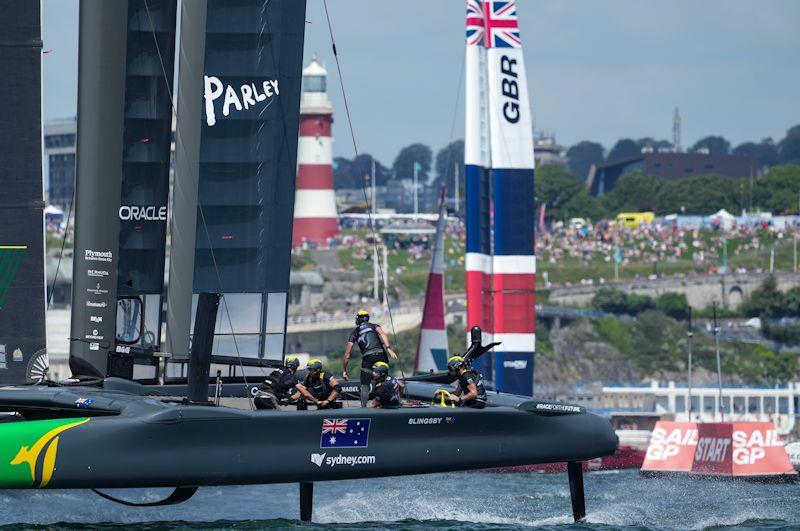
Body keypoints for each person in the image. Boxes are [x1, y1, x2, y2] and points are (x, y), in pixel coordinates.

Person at [342, 310, 398, 406]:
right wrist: (389, 349)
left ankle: (364, 408)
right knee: (385, 378)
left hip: (368, 358)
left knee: (365, 385)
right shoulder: (374, 326)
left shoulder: (355, 332)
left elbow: (347, 355)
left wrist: (344, 370)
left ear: (358, 319)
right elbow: (383, 334)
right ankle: (392, 402)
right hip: (381, 354)